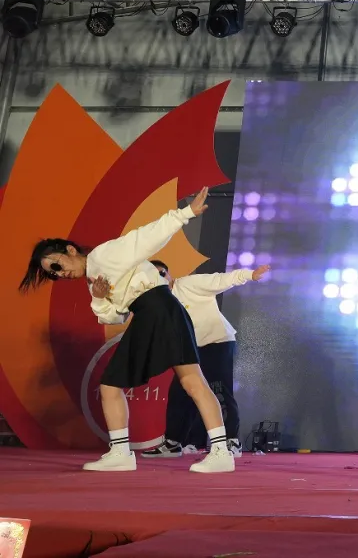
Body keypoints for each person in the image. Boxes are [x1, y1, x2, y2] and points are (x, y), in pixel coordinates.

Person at [18, 187, 233, 473]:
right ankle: (128, 453)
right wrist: (98, 297)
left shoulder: (103, 255)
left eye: (56, 265)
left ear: (69, 250)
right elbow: (114, 317)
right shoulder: (93, 279)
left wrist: (185, 214)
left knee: (185, 380)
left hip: (157, 308)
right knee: (177, 381)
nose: (60, 273)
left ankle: (216, 451)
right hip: (153, 312)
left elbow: (145, 237)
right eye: (53, 274)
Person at [141, 260, 270, 460]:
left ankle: (231, 442)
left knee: (219, 390)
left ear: (169, 273)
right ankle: (173, 443)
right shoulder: (157, 303)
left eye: (162, 273)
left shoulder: (190, 284)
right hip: (189, 350)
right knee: (179, 393)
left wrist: (250, 275)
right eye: (153, 277)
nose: (160, 278)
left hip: (216, 341)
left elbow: (221, 279)